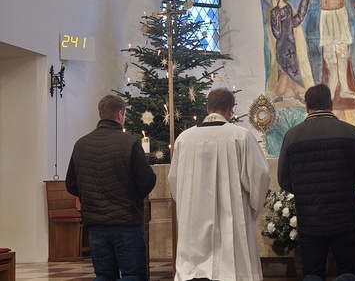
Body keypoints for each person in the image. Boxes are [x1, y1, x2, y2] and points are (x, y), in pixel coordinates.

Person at [278, 84, 355, 281]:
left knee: (313, 275)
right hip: (345, 219)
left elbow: (284, 180)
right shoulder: (351, 133)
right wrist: (349, 178)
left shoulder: (292, 136)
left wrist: (306, 190)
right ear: (331, 104)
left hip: (310, 221)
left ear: (307, 106)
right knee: (348, 274)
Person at [168, 87, 270, 281]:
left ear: (208, 108)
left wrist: (187, 206)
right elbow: (260, 175)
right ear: (231, 110)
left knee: (194, 271)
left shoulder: (184, 139)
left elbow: (174, 180)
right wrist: (252, 209)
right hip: (233, 220)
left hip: (194, 222)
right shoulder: (241, 136)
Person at [66, 95, 157, 281]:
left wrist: (89, 196)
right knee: (133, 275)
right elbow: (147, 180)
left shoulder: (81, 144)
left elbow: (71, 184)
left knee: (104, 275)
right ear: (120, 114)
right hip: (125, 222)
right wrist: (133, 197)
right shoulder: (129, 142)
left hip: (95, 224)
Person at [268, 0, 319, 102]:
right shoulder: (274, 11)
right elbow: (277, 33)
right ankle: (282, 95)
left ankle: (296, 94)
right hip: (281, 47)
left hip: (290, 45)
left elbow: (297, 20)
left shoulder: (288, 8)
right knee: (284, 70)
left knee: (292, 70)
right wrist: (275, 10)